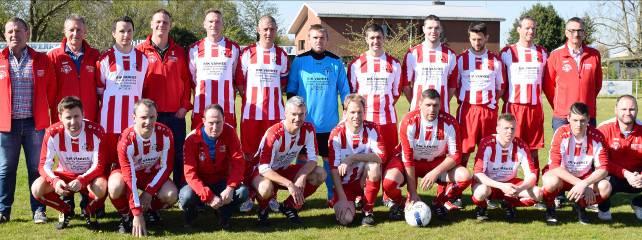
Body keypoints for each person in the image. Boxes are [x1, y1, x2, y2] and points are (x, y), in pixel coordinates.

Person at [286, 23, 349, 206]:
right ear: (309, 39)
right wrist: (295, 118)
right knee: (304, 162)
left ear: (327, 40)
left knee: (330, 162)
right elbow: (291, 91)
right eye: (315, 37)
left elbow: (345, 92)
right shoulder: (299, 61)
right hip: (305, 125)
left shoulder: (336, 62)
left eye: (322, 38)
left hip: (329, 125)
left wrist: (345, 114)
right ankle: (298, 197)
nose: (318, 41)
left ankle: (332, 195)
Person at [0, 17, 56, 224]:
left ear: (27, 34)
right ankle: (3, 210)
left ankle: (39, 210)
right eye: (10, 31)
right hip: (7, 126)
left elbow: (51, 90)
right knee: (6, 169)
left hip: (35, 124)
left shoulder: (41, 59)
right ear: (5, 35)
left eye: (18, 31)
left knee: (36, 169)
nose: (14, 35)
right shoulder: (0, 59)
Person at [346, 24, 405, 217]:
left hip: (387, 122)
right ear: (366, 39)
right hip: (363, 123)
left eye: (379, 37)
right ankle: (362, 195)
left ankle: (388, 196)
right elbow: (353, 95)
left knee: (386, 159)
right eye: (372, 38)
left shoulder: (394, 64)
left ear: (384, 38)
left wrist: (383, 107)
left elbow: (396, 93)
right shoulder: (356, 64)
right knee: (363, 160)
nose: (375, 41)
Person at [98, 16, 150, 233]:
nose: (125, 35)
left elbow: (142, 90)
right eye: (121, 31)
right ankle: (103, 208)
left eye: (129, 31)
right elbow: (100, 92)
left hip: (133, 129)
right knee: (110, 173)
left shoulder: (143, 59)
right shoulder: (104, 59)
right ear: (113, 33)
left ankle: (136, 211)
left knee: (133, 171)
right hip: (109, 128)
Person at [31, 96, 107, 230]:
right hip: (65, 175)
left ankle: (88, 210)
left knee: (101, 187)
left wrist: (82, 179)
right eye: (68, 117)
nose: (73, 122)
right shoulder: (52, 132)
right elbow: (44, 164)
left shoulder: (96, 131)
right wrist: (54, 181)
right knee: (37, 189)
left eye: (77, 116)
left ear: (83, 114)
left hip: (89, 177)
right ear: (60, 117)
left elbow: (99, 165)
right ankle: (65, 209)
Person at [137, 9, 192, 189]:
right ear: (151, 24)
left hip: (175, 114)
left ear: (170, 25)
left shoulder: (179, 51)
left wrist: (184, 107)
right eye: (158, 22)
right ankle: (150, 190)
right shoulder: (140, 51)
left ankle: (180, 191)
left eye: (165, 22)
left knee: (177, 154)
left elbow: (187, 81)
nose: (161, 25)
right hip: (149, 116)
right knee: (150, 154)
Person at [251, 96, 326, 224]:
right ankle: (263, 209)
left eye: (301, 114)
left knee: (320, 173)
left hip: (283, 169)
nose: (298, 119)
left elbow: (313, 159)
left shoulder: (308, 129)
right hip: (261, 172)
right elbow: (263, 168)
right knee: (265, 188)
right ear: (285, 113)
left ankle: (289, 206)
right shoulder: (274, 133)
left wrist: (302, 176)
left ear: (305, 114)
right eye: (294, 114)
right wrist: (290, 184)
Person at [398, 89, 471, 218]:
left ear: (440, 105)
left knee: (464, 176)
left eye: (435, 105)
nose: (432, 109)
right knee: (389, 181)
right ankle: (399, 203)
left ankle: (439, 201)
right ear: (420, 104)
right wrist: (413, 192)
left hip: (436, 163)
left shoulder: (450, 122)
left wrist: (435, 172)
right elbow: (408, 158)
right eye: (428, 105)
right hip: (414, 163)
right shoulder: (409, 121)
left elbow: (456, 155)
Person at [541, 102, 611, 225]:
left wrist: (585, 183)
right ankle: (550, 207)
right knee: (550, 182)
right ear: (568, 118)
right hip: (562, 176)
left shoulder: (597, 136)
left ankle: (581, 205)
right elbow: (554, 166)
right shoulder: (560, 133)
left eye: (582, 120)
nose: (579, 125)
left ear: (589, 119)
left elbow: (604, 168)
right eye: (575, 120)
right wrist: (581, 184)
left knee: (605, 187)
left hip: (584, 176)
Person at [179, 104, 248, 229]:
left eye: (218, 122)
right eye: (211, 123)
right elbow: (190, 173)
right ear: (203, 121)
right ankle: (192, 212)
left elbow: (238, 162)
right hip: (199, 183)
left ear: (224, 120)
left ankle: (224, 213)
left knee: (242, 192)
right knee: (186, 196)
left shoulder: (230, 132)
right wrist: (209, 196)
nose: (215, 127)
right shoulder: (192, 139)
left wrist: (230, 187)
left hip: (221, 181)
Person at [117, 99, 177, 237]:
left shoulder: (165, 133)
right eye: (143, 117)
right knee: (115, 187)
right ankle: (127, 216)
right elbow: (128, 176)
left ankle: (150, 210)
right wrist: (136, 212)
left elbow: (167, 167)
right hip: (128, 174)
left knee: (171, 195)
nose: (148, 122)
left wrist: (149, 192)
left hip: (150, 174)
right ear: (134, 118)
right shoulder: (126, 140)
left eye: (152, 117)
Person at [236, 15, 289, 162]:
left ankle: (271, 184)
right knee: (249, 153)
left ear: (276, 31)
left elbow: (283, 83)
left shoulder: (282, 55)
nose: (268, 33)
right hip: (251, 113)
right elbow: (240, 83)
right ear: (258, 30)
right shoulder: (247, 53)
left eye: (272, 29)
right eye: (265, 29)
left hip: (275, 114)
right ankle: (248, 184)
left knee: (274, 153)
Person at [500, 16, 548, 178]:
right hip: (513, 107)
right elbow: (500, 82)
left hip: (535, 108)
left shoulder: (542, 52)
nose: (531, 31)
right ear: (518, 29)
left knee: (533, 150)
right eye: (527, 28)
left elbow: (547, 81)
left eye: (533, 28)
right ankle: (505, 187)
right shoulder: (507, 52)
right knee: (508, 146)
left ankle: (533, 190)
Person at [328, 94, 387, 226]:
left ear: (364, 112)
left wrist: (352, 158)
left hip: (362, 181)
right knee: (347, 219)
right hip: (344, 186)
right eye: (352, 112)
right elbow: (333, 169)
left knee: (374, 166)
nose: (357, 116)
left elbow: (382, 156)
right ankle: (348, 202)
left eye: (360, 112)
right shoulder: (337, 134)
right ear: (345, 113)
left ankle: (368, 211)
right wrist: (342, 198)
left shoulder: (372, 128)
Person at [471, 113, 540, 221]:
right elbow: (478, 175)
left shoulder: (521, 145)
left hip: (511, 184)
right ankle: (482, 206)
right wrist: (501, 186)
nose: (510, 132)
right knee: (481, 192)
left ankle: (509, 203)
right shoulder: (487, 143)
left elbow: (531, 175)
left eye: (512, 128)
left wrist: (519, 189)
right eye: (506, 128)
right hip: (490, 184)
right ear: (497, 129)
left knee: (537, 193)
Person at [456, 22, 504, 167]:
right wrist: (464, 99)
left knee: (488, 150)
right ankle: (457, 185)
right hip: (468, 110)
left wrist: (490, 101)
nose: (477, 42)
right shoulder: (461, 59)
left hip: (488, 110)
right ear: (469, 38)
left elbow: (500, 86)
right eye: (473, 39)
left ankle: (485, 185)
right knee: (464, 150)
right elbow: (455, 85)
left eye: (480, 39)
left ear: (486, 38)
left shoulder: (495, 60)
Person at [543, 17, 603, 130]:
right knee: (562, 147)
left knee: (587, 147)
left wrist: (586, 99)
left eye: (580, 30)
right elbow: (548, 86)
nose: (576, 34)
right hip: (563, 117)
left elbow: (597, 84)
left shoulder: (594, 55)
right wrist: (559, 106)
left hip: (587, 114)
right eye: (572, 31)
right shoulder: (556, 55)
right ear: (566, 33)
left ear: (584, 33)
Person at [188, 9, 240, 129]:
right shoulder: (194, 49)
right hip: (201, 107)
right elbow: (192, 79)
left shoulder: (234, 48)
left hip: (226, 108)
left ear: (222, 24)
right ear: (204, 24)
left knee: (227, 145)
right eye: (210, 21)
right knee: (199, 143)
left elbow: (235, 77)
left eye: (217, 21)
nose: (214, 25)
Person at [597, 95, 642, 221]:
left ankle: (639, 203)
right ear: (615, 110)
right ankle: (603, 208)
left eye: (632, 109)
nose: (628, 113)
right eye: (623, 109)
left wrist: (640, 176)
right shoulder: (604, 129)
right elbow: (601, 161)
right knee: (602, 182)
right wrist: (625, 173)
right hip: (612, 176)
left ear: (637, 110)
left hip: (637, 177)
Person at [48, 14, 100, 123]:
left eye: (79, 30)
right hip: (64, 116)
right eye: (71, 30)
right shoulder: (54, 56)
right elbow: (49, 90)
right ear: (65, 31)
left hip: (88, 114)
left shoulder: (95, 55)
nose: (75, 34)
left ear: (85, 32)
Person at [402, 15, 458, 113]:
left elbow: (453, 85)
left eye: (436, 28)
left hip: (441, 110)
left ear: (440, 29)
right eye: (430, 28)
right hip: (417, 109)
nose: (433, 31)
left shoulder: (450, 55)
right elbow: (405, 85)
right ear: (423, 29)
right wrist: (416, 102)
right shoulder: (412, 53)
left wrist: (442, 102)